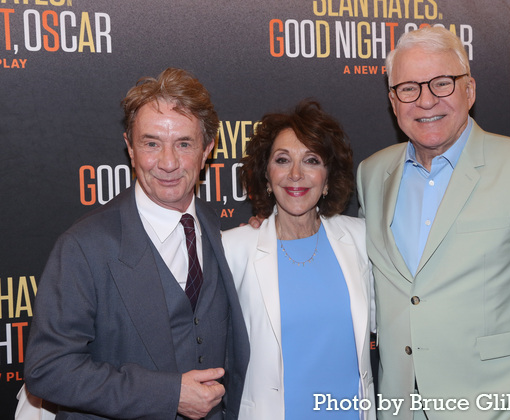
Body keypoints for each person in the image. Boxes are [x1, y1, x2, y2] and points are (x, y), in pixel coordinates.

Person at [356, 26, 510, 419]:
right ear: (393, 102)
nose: (426, 100)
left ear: (470, 90)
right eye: (408, 88)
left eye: (442, 83)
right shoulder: (372, 174)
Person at [23, 67, 249, 420]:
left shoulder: (216, 226)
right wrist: (168, 394)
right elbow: (48, 369)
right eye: (151, 143)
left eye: (184, 144)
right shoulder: (85, 246)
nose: (168, 163)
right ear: (130, 148)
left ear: (208, 150)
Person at [222, 100, 376, 420]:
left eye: (311, 160)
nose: (296, 174)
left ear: (328, 178)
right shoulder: (234, 250)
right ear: (266, 176)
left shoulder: (362, 238)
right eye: (282, 160)